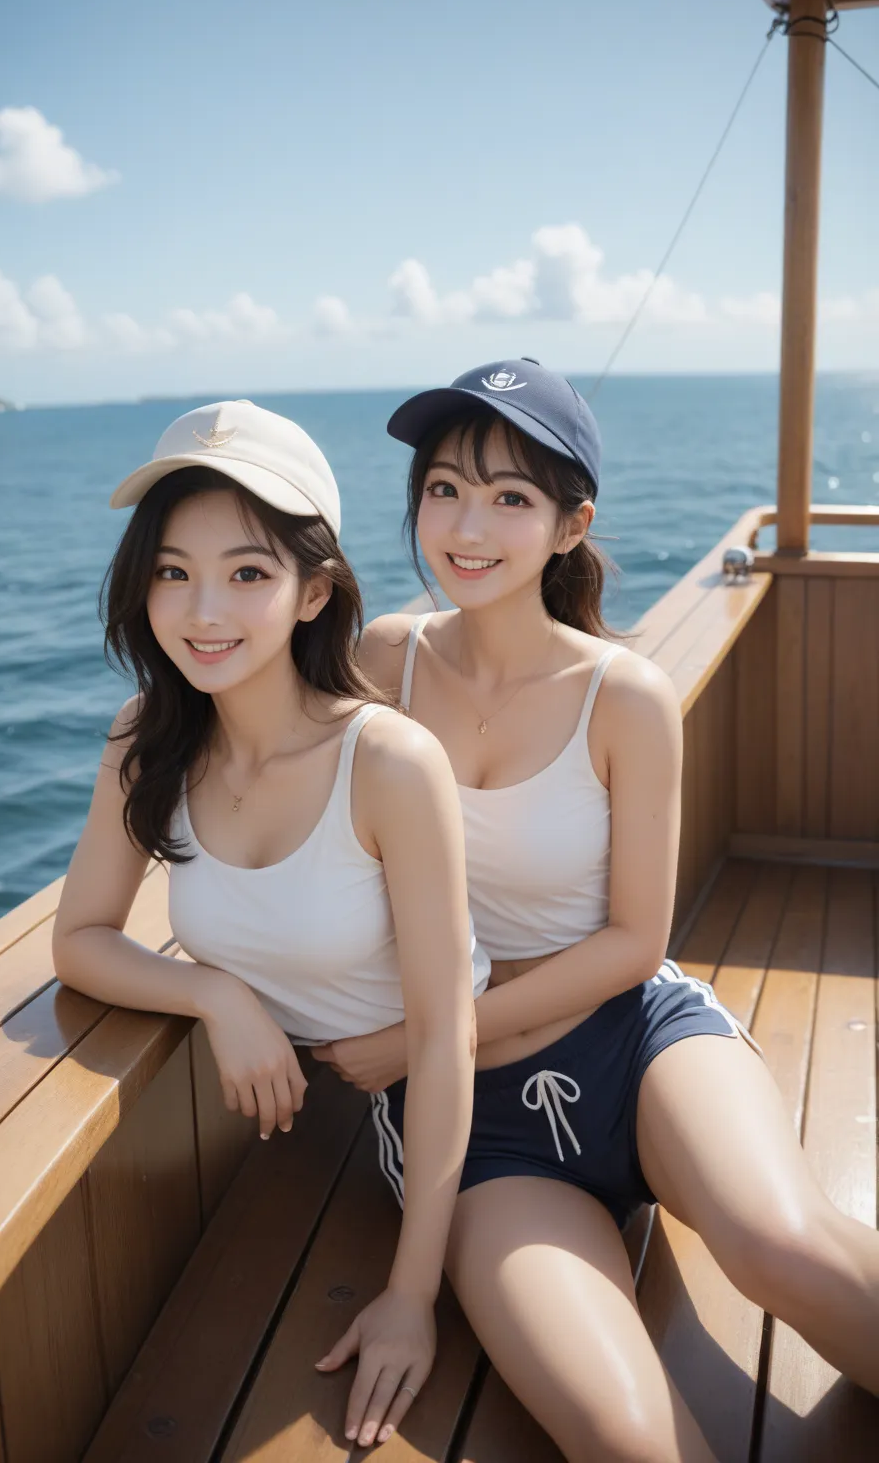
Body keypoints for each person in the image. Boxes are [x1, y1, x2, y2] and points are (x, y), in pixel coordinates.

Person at [316, 359, 879, 1462]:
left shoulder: (623, 695)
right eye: (443, 489)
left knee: (781, 1248)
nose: (466, 526)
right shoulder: (385, 659)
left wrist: (421, 1031)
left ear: (571, 525)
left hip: (632, 1038)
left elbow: (632, 946)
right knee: (630, 1441)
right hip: (475, 1120)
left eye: (510, 498)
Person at [52, 399, 485, 1452]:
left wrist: (407, 1294)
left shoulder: (385, 760)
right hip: (377, 1119)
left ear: (314, 591)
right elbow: (79, 941)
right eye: (170, 569)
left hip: (490, 1086)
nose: (203, 608)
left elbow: (443, 1035)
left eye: (247, 572)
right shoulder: (145, 740)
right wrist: (214, 991)